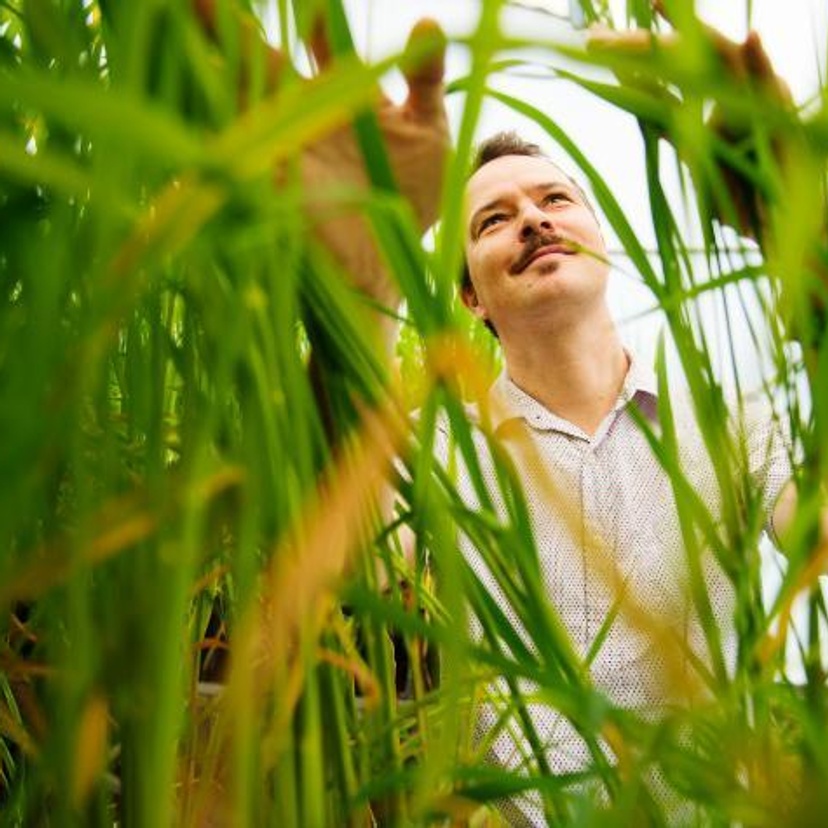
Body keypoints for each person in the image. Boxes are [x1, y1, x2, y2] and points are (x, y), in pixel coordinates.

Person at [193, 2, 813, 822]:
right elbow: (344, 561)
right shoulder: (440, 449)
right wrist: (363, 292)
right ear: (470, 296)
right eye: (493, 219)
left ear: (603, 239)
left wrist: (807, 247)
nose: (532, 219)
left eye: (555, 198)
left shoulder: (729, 417)